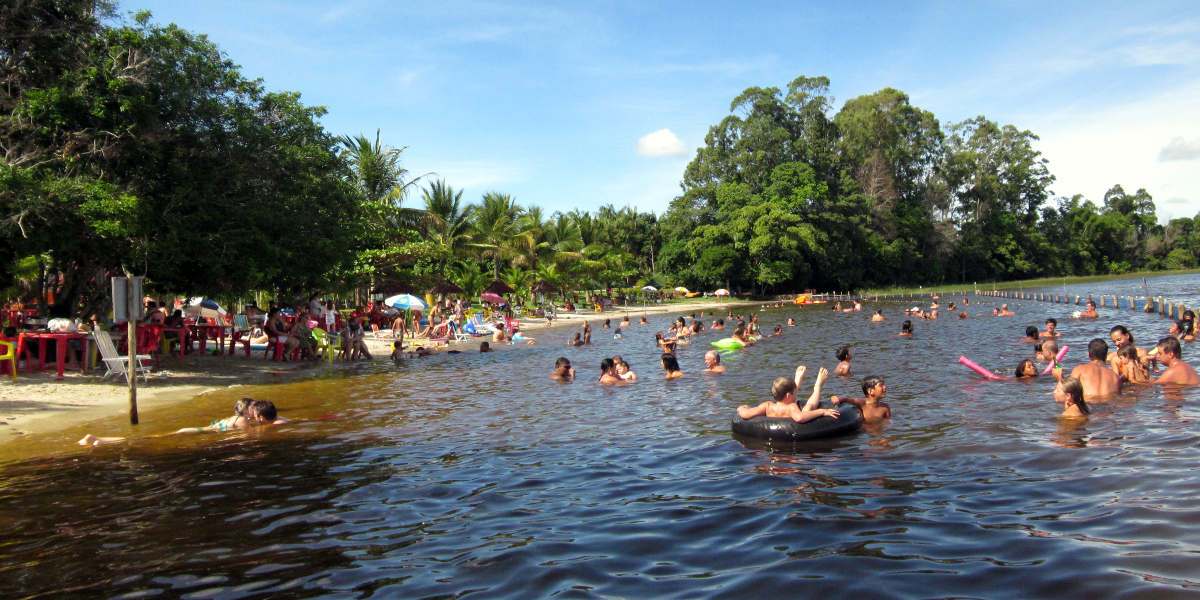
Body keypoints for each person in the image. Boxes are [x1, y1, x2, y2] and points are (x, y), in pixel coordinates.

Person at [79, 399, 285, 447]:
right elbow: (248, 437)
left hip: (194, 430)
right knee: (145, 439)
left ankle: (99, 441)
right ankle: (98, 440)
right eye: (253, 410)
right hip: (192, 432)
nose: (253, 413)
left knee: (147, 438)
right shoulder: (241, 422)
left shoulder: (235, 418)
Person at [737, 365, 838, 423]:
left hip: (775, 440)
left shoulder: (767, 406)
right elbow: (800, 418)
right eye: (795, 392)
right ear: (788, 395)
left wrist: (741, 408)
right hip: (793, 433)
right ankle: (817, 386)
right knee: (808, 406)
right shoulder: (791, 407)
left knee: (797, 400)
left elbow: (745, 414)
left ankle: (796, 382)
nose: (796, 394)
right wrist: (822, 411)